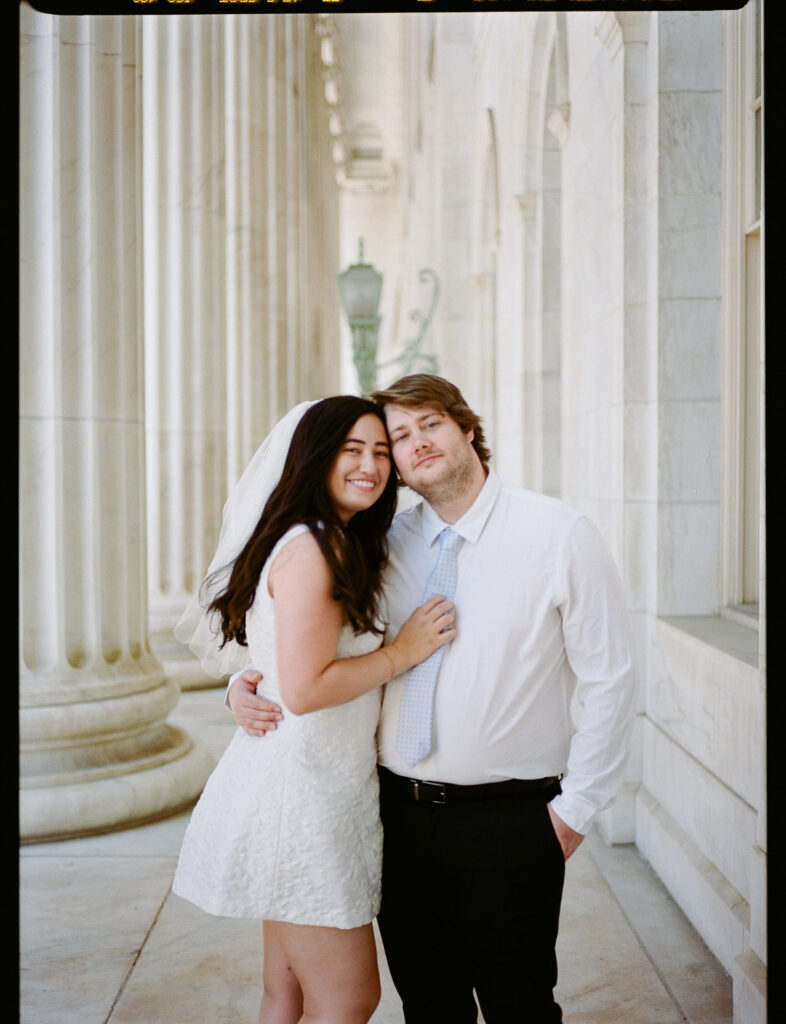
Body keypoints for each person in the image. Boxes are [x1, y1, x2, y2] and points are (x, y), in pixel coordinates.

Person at [228, 374, 636, 1024]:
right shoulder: (378, 543)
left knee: (520, 1006)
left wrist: (576, 809)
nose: (415, 444)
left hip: (510, 820)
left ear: (467, 428)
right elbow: (303, 629)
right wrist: (244, 685)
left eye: (430, 424)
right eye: (398, 437)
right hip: (397, 815)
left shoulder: (558, 533)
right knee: (430, 1006)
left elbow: (611, 677)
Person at [172, 395, 457, 1024]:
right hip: (302, 800)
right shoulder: (316, 546)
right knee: (350, 998)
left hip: (316, 782)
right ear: (314, 458)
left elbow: (274, 664)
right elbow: (304, 688)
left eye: (381, 451)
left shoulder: (328, 538)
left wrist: (242, 687)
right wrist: (402, 652)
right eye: (351, 450)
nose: (371, 465)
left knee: (289, 995)